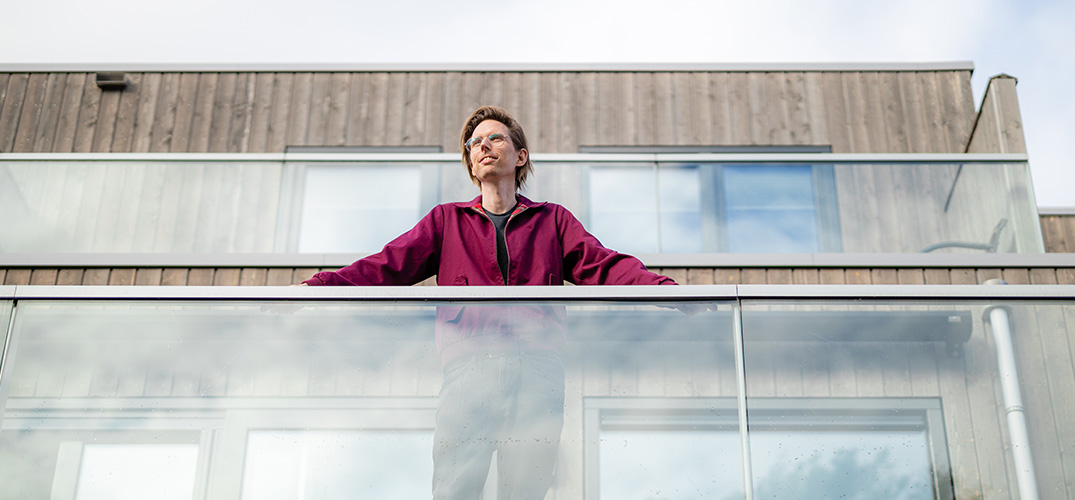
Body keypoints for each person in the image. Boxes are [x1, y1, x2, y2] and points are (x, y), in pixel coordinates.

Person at [301, 106, 675, 499]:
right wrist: (321, 285)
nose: (483, 146)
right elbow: (388, 265)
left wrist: (662, 288)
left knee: (526, 490)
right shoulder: (447, 220)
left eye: (495, 138)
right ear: (471, 164)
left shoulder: (553, 221)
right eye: (474, 143)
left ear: (520, 156)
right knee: (454, 487)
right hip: (468, 370)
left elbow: (601, 264)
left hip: (538, 372)